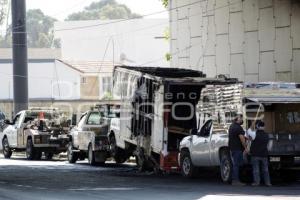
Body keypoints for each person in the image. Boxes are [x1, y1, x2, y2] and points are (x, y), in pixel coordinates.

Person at [250, 121, 271, 186]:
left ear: (257, 126)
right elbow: (269, 146)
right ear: (264, 127)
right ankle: (268, 182)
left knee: (256, 169)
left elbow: (249, 139)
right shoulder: (267, 135)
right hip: (264, 154)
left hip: (255, 154)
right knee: (265, 169)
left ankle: (257, 182)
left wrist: (252, 125)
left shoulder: (254, 134)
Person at [228, 114, 248, 186]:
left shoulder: (231, 126)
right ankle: (236, 180)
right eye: (241, 119)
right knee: (237, 165)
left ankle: (235, 180)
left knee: (236, 164)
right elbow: (242, 139)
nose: (242, 120)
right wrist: (246, 148)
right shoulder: (238, 128)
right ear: (237, 119)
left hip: (232, 148)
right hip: (237, 149)